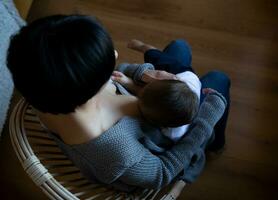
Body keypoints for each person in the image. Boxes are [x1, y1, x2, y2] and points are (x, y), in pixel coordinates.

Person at [7, 15, 229, 191]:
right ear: (89, 87)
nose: (115, 53)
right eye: (106, 61)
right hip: (174, 134)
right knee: (218, 80)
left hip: (159, 100)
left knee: (179, 47)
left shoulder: (55, 86)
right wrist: (208, 116)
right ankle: (215, 143)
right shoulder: (117, 152)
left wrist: (143, 76)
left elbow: (120, 73)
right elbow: (163, 173)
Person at [111, 64, 201, 142]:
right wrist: (129, 82)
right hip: (190, 77)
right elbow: (150, 96)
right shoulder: (184, 79)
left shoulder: (171, 135)